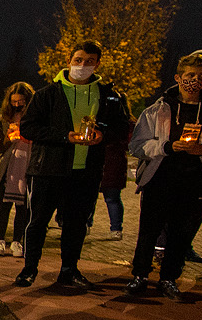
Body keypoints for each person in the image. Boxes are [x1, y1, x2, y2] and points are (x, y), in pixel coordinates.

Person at [14, 40, 132, 288]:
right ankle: (29, 268)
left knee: (77, 224)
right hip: (48, 169)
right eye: (78, 60)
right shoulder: (48, 94)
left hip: (86, 171)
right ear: (69, 61)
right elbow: (28, 127)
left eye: (89, 61)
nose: (82, 66)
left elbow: (122, 127)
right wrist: (64, 136)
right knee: (38, 222)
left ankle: (69, 269)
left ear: (97, 63)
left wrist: (103, 135)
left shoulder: (109, 95)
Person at [123, 54, 202, 300]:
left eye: (200, 77)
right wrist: (166, 147)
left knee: (181, 234)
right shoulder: (159, 108)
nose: (194, 82)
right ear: (178, 77)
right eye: (189, 76)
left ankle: (169, 278)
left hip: (195, 181)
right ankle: (140, 274)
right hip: (160, 178)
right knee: (148, 231)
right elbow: (138, 144)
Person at [0, 82, 34, 255]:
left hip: (27, 166)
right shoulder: (4, 120)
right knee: (4, 205)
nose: (17, 105)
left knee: (22, 207)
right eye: (14, 101)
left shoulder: (34, 119)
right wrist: (8, 138)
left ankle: (17, 241)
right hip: (8, 168)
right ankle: (0, 241)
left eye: (21, 101)